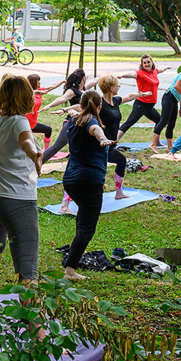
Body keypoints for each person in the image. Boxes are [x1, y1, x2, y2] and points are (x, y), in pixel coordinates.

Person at [0, 76, 44, 320]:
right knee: (27, 271)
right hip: (17, 203)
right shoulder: (19, 121)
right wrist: (34, 153)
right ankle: (39, 337)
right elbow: (26, 140)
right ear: (26, 97)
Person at [53, 76, 150, 212]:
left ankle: (118, 192)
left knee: (121, 161)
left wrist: (141, 94)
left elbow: (128, 97)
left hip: (110, 145)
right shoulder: (99, 103)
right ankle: (64, 205)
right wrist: (65, 110)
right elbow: (80, 107)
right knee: (84, 171)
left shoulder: (115, 101)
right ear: (112, 88)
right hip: (99, 145)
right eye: (117, 86)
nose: (119, 88)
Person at [60, 92, 116, 280]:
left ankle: (79, 250)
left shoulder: (74, 120)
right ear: (99, 107)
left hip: (70, 180)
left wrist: (68, 110)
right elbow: (95, 129)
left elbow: (74, 113)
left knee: (83, 214)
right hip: (88, 181)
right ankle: (70, 270)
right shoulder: (91, 121)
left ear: (81, 105)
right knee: (87, 227)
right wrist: (102, 138)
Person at [116, 55, 172, 143]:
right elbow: (132, 74)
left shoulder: (154, 71)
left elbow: (161, 69)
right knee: (128, 123)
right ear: (142, 64)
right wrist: (122, 75)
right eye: (144, 63)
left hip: (149, 107)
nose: (147, 64)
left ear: (152, 62)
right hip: (141, 105)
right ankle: (114, 142)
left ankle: (156, 142)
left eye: (148, 62)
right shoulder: (140, 73)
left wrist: (167, 67)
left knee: (159, 121)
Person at [25, 74, 64, 150]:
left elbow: (51, 86)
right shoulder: (26, 93)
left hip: (33, 123)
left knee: (48, 130)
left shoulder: (40, 91)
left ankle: (46, 151)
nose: (40, 82)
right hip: (25, 122)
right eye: (38, 81)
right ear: (34, 82)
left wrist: (63, 81)